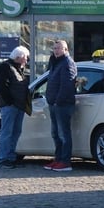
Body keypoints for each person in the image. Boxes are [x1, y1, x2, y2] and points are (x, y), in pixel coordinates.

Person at [43, 39, 77, 172]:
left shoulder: (67, 63)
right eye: (55, 48)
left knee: (63, 134)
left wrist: (58, 101)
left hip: (62, 104)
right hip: (54, 104)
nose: (56, 51)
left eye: (59, 48)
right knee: (55, 133)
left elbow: (67, 85)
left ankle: (65, 161)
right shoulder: (55, 62)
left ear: (66, 50)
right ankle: (58, 159)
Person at [0, 46, 30, 169]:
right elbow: (2, 86)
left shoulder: (19, 68)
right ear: (18, 57)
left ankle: (11, 157)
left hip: (19, 105)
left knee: (15, 132)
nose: (27, 60)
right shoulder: (5, 67)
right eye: (25, 57)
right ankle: (3, 159)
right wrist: (9, 102)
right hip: (10, 105)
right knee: (7, 132)